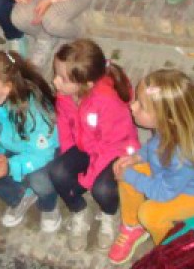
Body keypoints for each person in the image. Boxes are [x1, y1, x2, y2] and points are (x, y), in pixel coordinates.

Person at [108, 69, 194, 265]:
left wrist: (131, 175)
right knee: (128, 177)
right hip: (173, 175)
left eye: (141, 106)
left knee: (150, 213)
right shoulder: (174, 126)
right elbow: (154, 144)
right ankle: (132, 228)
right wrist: (138, 157)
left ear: (168, 119)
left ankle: (171, 251)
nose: (132, 106)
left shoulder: (185, 154)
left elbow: (164, 193)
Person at [47, 39, 139, 252]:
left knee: (102, 189)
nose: (55, 82)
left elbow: (109, 147)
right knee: (58, 172)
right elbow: (64, 122)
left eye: (62, 78)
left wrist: (86, 180)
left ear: (86, 84)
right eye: (56, 74)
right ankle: (78, 211)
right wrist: (68, 152)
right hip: (86, 143)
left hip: (115, 150)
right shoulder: (66, 93)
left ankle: (109, 213)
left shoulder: (107, 102)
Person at [0, 50, 61, 232]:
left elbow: (43, 152)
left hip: (44, 153)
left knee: (39, 179)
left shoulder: (32, 110)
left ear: (6, 87)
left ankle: (49, 205)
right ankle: (20, 196)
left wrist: (11, 166)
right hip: (14, 149)